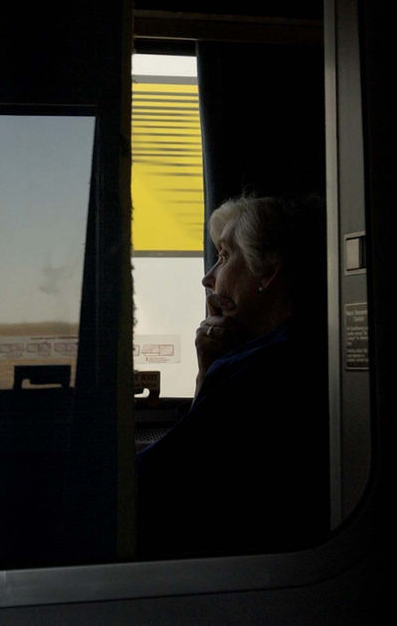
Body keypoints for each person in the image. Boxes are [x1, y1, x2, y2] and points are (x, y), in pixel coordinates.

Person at [136, 194, 329, 559]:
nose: (208, 279)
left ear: (268, 272)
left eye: (224, 257)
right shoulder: (284, 351)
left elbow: (150, 483)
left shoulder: (261, 370)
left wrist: (211, 371)